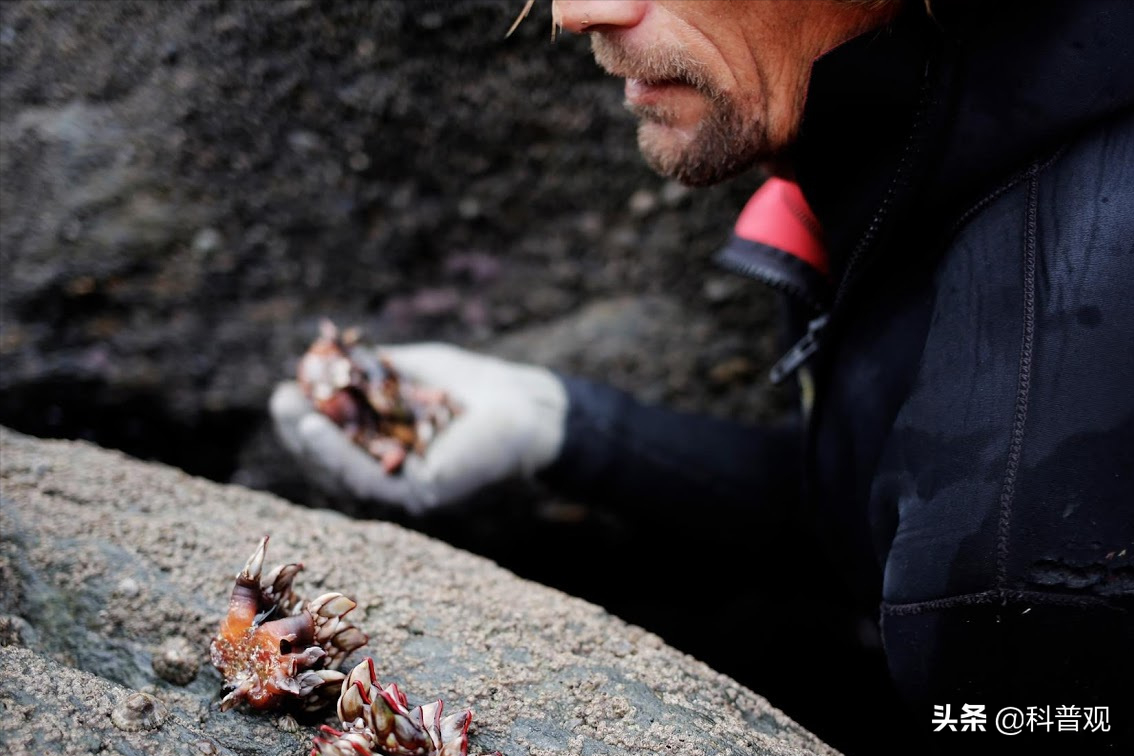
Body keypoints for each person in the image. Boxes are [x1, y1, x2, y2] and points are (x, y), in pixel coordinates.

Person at [273, 0, 1134, 751]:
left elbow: (982, 616)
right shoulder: (928, 145)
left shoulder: (1017, 580)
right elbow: (887, 512)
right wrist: (563, 425)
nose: (576, 11)